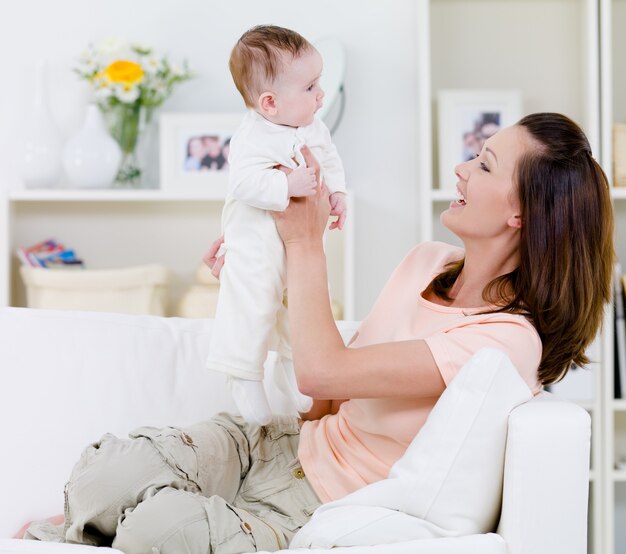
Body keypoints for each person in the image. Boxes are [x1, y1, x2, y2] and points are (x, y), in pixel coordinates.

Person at [25, 112, 613, 553]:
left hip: (318, 507)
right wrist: (258, 277)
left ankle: (96, 526)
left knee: (158, 527)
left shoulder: (507, 342)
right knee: (109, 473)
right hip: (279, 446)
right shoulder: (426, 263)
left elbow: (323, 368)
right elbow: (327, 395)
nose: (461, 168)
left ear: (523, 215)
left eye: (483, 165)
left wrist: (305, 241)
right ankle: (110, 517)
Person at [205, 25, 347, 426]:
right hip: (255, 240)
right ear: (269, 102)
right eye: (311, 87)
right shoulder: (252, 136)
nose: (321, 95)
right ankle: (243, 371)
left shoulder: (311, 127)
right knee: (253, 302)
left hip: (295, 243)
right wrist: (287, 184)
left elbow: (330, 159)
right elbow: (244, 183)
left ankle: (292, 363)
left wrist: (338, 193)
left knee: (297, 303)